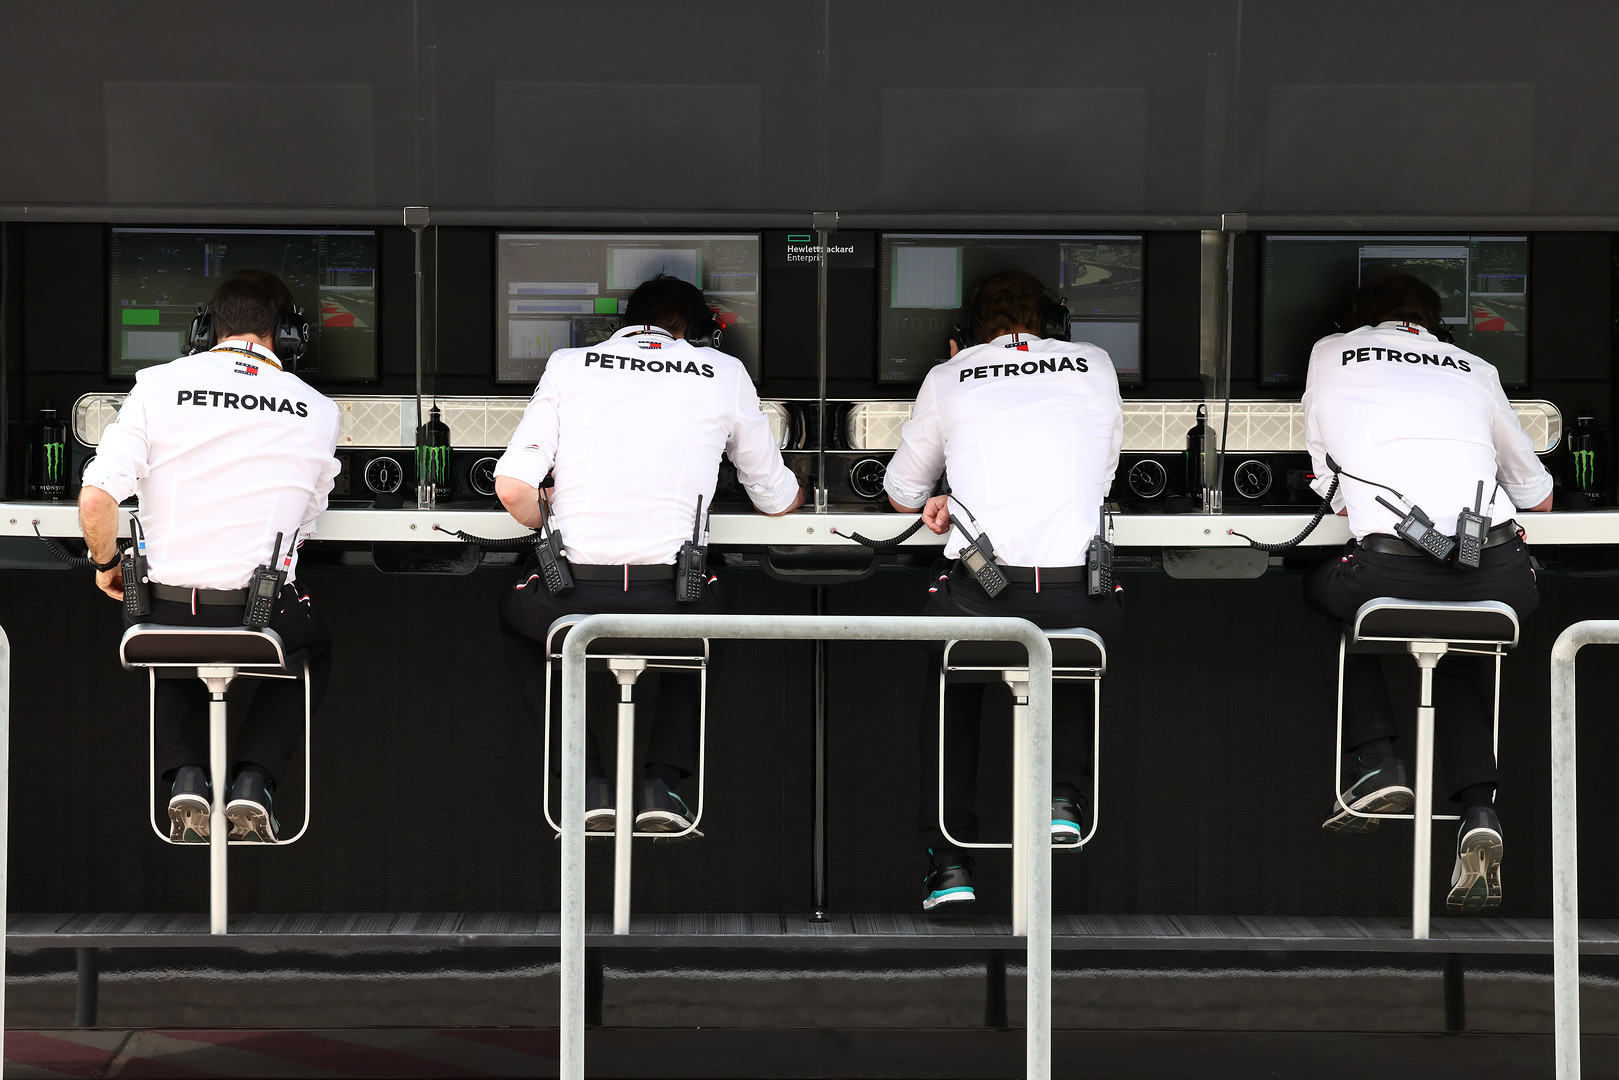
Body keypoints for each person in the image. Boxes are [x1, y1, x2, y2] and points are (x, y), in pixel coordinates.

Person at [494, 274, 803, 833]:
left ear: (624, 324)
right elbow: (774, 499)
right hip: (674, 599)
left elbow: (514, 490)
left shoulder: (567, 365)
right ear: (699, 332)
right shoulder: (725, 373)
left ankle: (586, 782)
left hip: (570, 601)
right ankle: (662, 782)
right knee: (706, 621)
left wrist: (556, 513)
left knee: (519, 619)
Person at [1303, 273, 1553, 914]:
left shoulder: (1330, 354)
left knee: (1324, 590)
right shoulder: (1475, 366)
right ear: (1437, 325)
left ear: (1361, 320)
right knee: (1464, 630)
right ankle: (1479, 809)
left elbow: (1326, 481)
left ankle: (1376, 762)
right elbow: (1537, 494)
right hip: (1498, 573)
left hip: (1386, 573)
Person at [883, 270, 1124, 912]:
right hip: (1081, 600)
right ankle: (1063, 796)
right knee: (1066, 650)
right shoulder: (1095, 364)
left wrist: (941, 493)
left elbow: (902, 492)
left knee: (950, 677)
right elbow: (1101, 473)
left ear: (965, 337)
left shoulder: (948, 376)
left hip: (983, 601)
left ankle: (949, 861)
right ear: (1053, 329)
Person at [79, 269, 341, 844]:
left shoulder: (154, 385)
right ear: (289, 335)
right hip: (259, 617)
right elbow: (307, 520)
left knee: (169, 618)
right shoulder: (318, 409)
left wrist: (105, 565)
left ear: (203, 332)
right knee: (313, 644)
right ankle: (254, 778)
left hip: (165, 616)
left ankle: (186, 777)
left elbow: (97, 498)